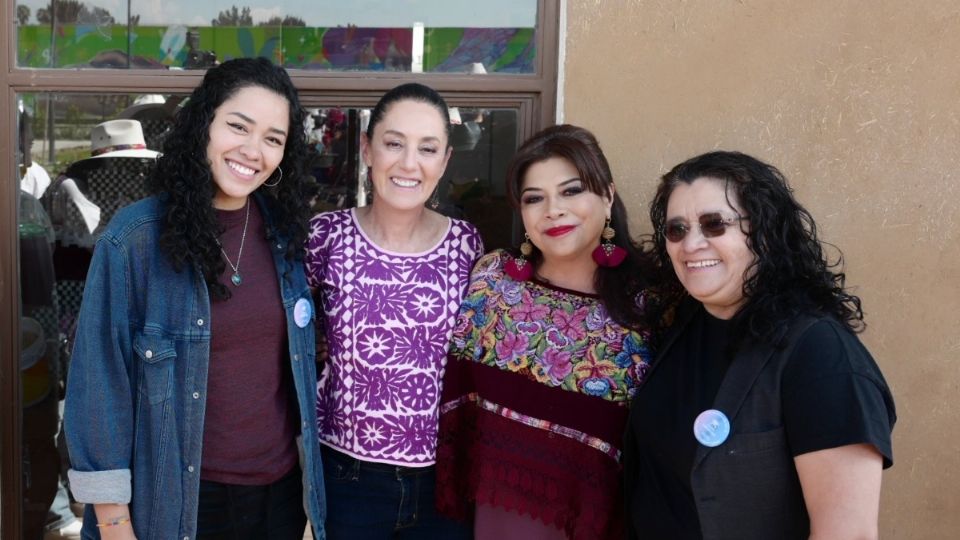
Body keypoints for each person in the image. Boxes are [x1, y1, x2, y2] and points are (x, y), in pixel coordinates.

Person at [63, 57, 326, 540]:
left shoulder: (286, 238)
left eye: (273, 138)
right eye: (238, 126)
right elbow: (99, 388)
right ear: (204, 123)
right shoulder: (136, 239)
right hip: (177, 502)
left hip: (281, 498)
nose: (253, 150)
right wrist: (115, 525)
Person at [625, 150, 896, 539]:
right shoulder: (681, 324)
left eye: (714, 224)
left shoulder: (819, 355)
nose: (691, 244)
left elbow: (847, 533)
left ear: (765, 232)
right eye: (677, 229)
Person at [435, 124, 657, 539]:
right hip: (493, 516)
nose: (552, 209)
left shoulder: (650, 302)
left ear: (607, 196)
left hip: (603, 523)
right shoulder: (492, 281)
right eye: (534, 198)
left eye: (571, 191)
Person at [305, 83, 484, 539]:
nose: (409, 164)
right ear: (367, 149)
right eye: (393, 143)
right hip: (347, 478)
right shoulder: (325, 236)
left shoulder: (467, 244)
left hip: (442, 480)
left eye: (427, 149)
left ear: (444, 162)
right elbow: (287, 338)